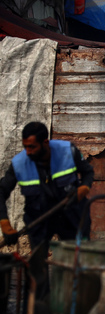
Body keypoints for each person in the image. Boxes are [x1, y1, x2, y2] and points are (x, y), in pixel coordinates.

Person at [0, 122, 94, 300]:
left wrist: (84, 188)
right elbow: (1, 191)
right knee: (37, 271)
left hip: (72, 216)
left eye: (32, 147)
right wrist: (4, 222)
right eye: (25, 146)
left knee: (76, 264)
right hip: (39, 219)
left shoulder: (68, 151)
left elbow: (88, 172)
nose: (28, 151)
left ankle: (73, 307)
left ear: (45, 142)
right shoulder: (20, 163)